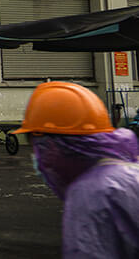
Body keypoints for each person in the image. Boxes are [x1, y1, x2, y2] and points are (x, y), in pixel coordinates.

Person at [14, 80, 139, 258]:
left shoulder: (91, 193)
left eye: (36, 148)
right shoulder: (130, 171)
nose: (36, 159)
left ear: (51, 146)